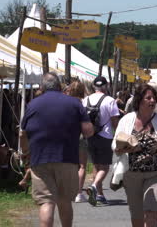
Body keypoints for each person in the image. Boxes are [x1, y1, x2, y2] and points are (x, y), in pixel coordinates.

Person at [19, 72, 94, 227]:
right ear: (60, 86)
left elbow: (22, 133)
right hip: (67, 158)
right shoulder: (74, 103)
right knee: (65, 200)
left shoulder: (33, 104)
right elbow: (88, 130)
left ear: (42, 87)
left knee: (46, 202)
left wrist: (25, 153)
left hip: (40, 160)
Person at [112, 84, 157, 227]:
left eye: (154, 98)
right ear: (139, 100)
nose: (152, 101)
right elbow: (115, 143)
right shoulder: (127, 119)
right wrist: (122, 148)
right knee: (136, 216)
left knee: (151, 212)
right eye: (148, 98)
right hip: (132, 174)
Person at [84, 76, 120, 206]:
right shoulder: (110, 100)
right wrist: (119, 135)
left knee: (96, 165)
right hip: (105, 136)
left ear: (94, 86)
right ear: (105, 86)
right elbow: (115, 121)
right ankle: (94, 186)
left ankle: (100, 195)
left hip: (90, 136)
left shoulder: (85, 99)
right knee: (104, 167)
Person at [65, 80, 91, 203]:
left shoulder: (64, 103)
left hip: (67, 136)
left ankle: (68, 190)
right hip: (80, 135)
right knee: (82, 166)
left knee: (69, 165)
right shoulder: (82, 104)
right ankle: (78, 193)